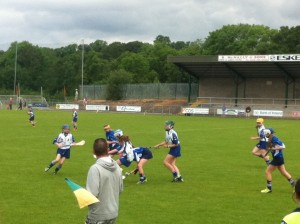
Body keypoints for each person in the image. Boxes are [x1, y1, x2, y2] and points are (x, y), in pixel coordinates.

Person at [85, 138, 123, 224]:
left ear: (93, 151)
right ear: (108, 150)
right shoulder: (117, 166)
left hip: (98, 214)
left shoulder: (95, 169)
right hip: (113, 212)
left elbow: (92, 194)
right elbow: (120, 189)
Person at [260, 128, 295, 193]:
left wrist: (274, 148)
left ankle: (269, 188)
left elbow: (283, 146)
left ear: (268, 133)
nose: (264, 134)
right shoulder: (271, 138)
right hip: (279, 158)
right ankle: (295, 186)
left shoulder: (274, 138)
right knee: (283, 172)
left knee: (268, 171)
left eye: (265, 133)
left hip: (277, 158)